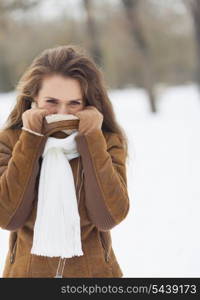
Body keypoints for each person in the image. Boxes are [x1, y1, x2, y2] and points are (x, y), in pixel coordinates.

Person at [0, 44, 130, 278]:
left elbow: (108, 216)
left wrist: (91, 140)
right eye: (51, 101)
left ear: (89, 104)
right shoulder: (10, 141)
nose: (62, 111)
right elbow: (7, 216)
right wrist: (30, 140)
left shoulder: (106, 141)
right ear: (33, 99)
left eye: (74, 103)